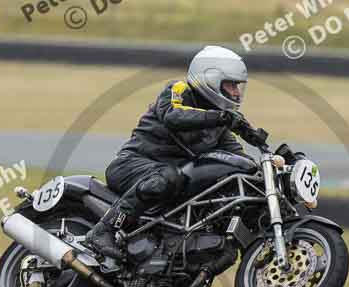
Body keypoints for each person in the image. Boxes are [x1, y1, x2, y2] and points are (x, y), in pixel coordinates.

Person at [86, 45, 264, 261]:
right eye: (230, 85)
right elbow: (173, 116)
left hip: (170, 180)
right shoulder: (179, 90)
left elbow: (238, 159)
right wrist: (221, 117)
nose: (236, 92)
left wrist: (265, 169)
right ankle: (103, 230)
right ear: (209, 79)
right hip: (132, 165)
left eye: (238, 86)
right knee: (168, 177)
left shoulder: (220, 128)